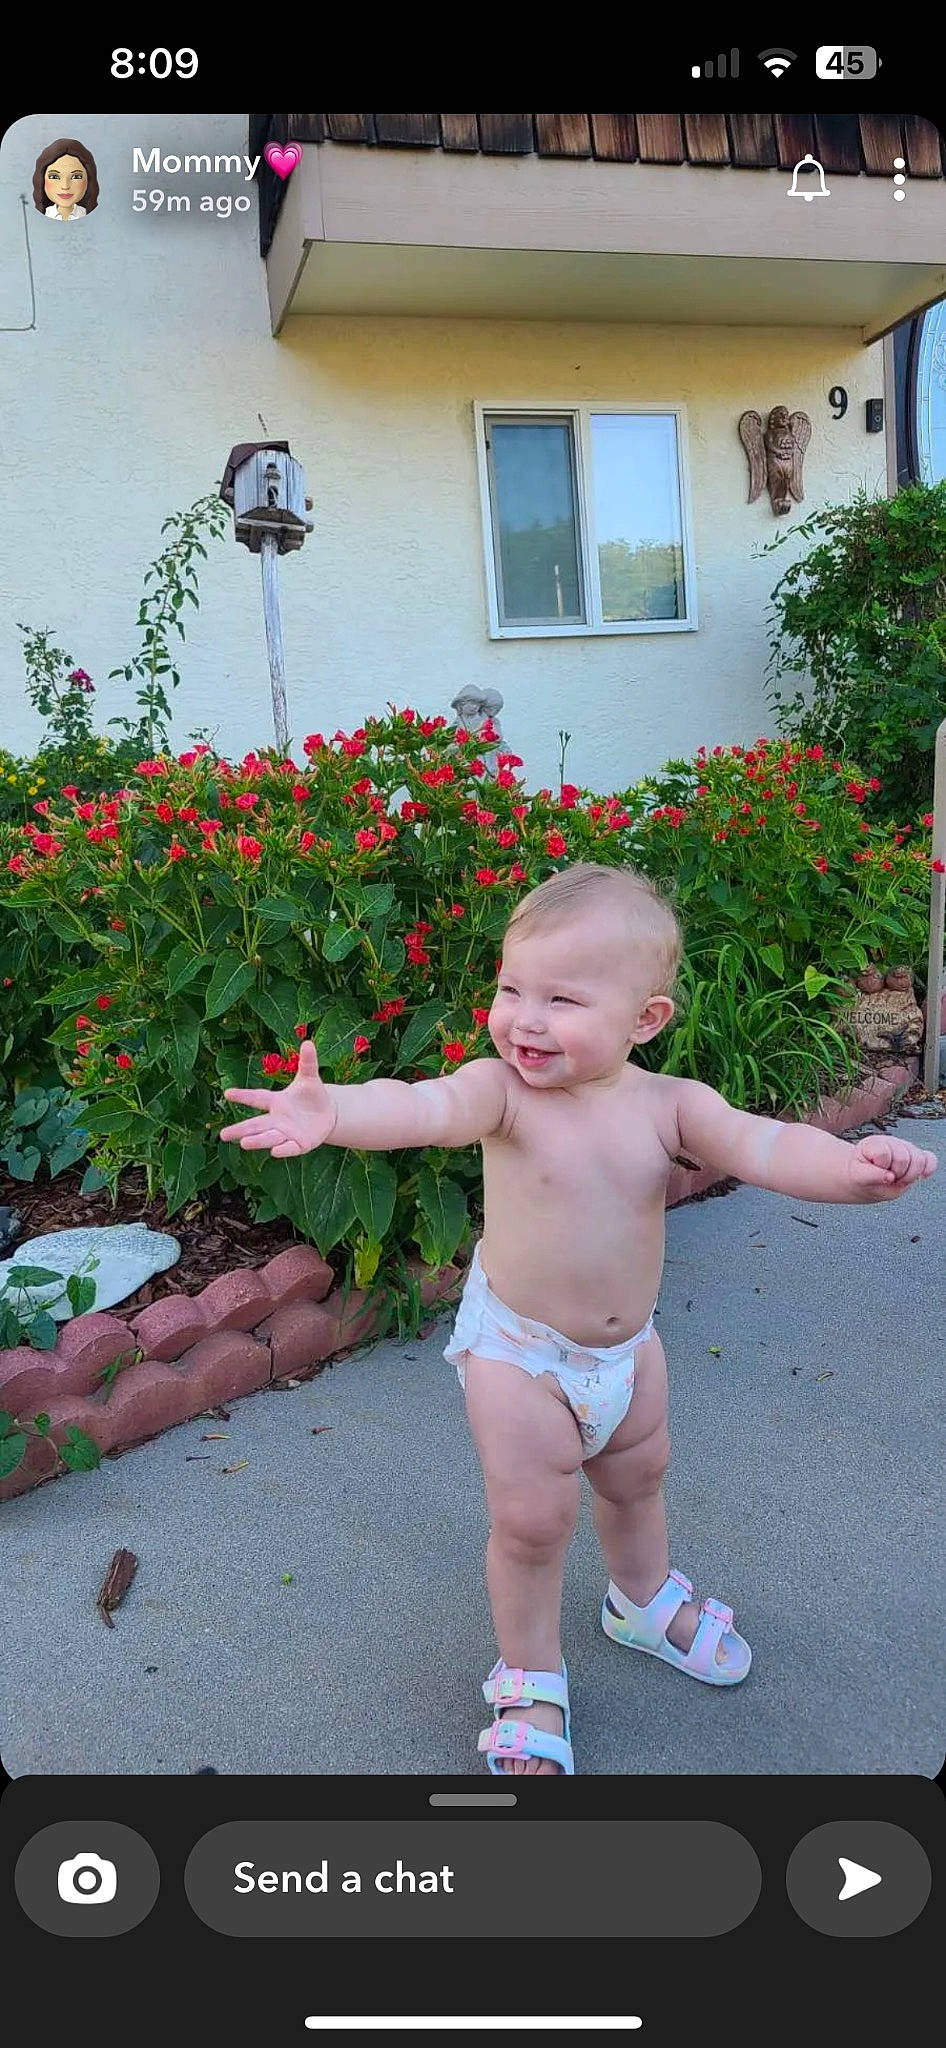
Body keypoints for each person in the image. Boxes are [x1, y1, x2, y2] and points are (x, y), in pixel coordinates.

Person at [219, 862, 938, 1775]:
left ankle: (639, 1601)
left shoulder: (670, 1106)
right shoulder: (503, 1093)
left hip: (627, 1353)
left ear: (645, 1019)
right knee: (533, 1523)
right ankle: (529, 1673)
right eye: (511, 988)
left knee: (639, 1481)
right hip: (520, 1356)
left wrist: (849, 1172)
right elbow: (423, 1105)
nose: (525, 1018)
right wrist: (335, 1111)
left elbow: (763, 1142)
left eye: (561, 999)